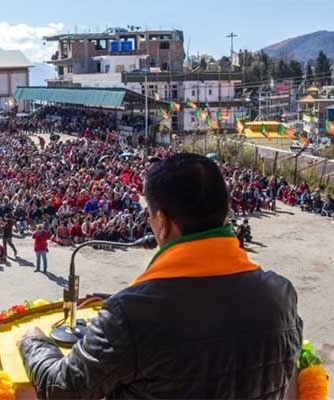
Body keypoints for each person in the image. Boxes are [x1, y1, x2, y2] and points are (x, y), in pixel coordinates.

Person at [19, 153, 302, 398]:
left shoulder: (131, 314)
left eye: (150, 217)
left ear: (163, 223)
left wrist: (34, 341)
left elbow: (61, 390)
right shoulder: (281, 294)